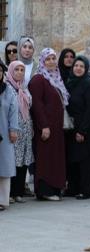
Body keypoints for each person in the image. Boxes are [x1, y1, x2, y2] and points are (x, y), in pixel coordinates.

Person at [29, 48, 69, 201]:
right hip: (46, 128)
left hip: (56, 128)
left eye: (53, 58)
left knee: (55, 158)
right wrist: (44, 125)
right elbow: (37, 105)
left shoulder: (55, 78)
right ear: (42, 62)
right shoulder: (39, 79)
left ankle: (55, 188)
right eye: (48, 59)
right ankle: (45, 190)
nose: (51, 62)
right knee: (46, 158)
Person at [65, 56, 90, 199]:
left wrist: (82, 130)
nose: (78, 68)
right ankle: (73, 188)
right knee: (73, 159)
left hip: (85, 128)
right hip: (71, 127)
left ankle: (87, 190)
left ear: (86, 69)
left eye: (81, 66)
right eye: (76, 66)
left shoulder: (88, 84)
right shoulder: (70, 83)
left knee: (86, 160)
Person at [6, 61, 33, 203]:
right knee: (12, 161)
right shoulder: (7, 88)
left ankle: (19, 192)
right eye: (17, 69)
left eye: (22, 69)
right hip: (13, 129)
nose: (20, 72)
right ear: (11, 71)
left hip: (26, 129)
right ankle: (9, 193)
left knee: (23, 161)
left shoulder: (24, 87)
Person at [0, 61, 19, 210]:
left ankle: (1, 200)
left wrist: (13, 129)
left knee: (4, 167)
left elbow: (13, 111)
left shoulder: (8, 91)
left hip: (4, 133)